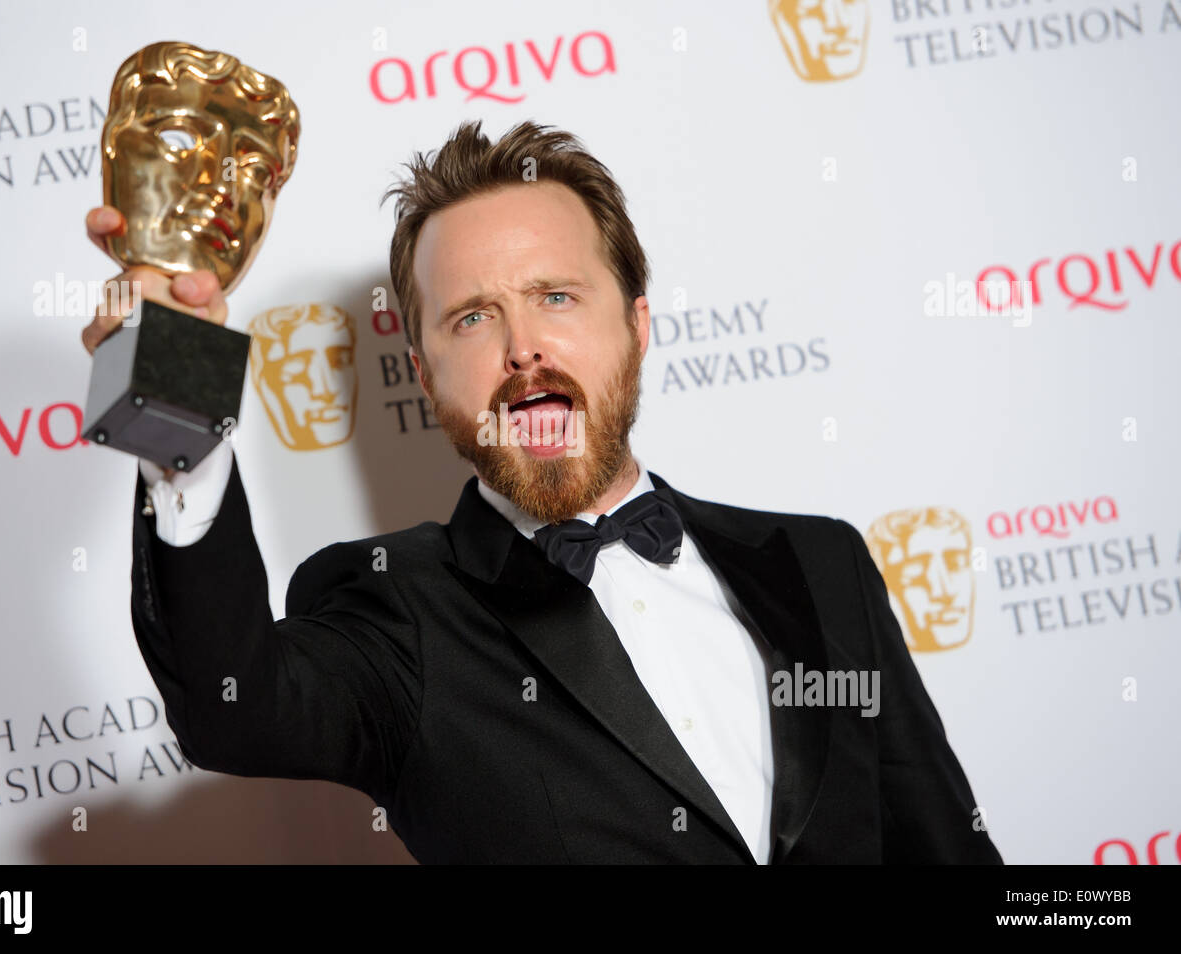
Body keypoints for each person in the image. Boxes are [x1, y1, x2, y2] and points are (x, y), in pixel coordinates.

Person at [81, 119, 1002, 864]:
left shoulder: (819, 561)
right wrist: (175, 383)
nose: (522, 347)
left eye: (557, 296)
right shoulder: (397, 611)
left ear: (638, 325)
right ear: (425, 374)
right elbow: (232, 707)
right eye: (473, 317)